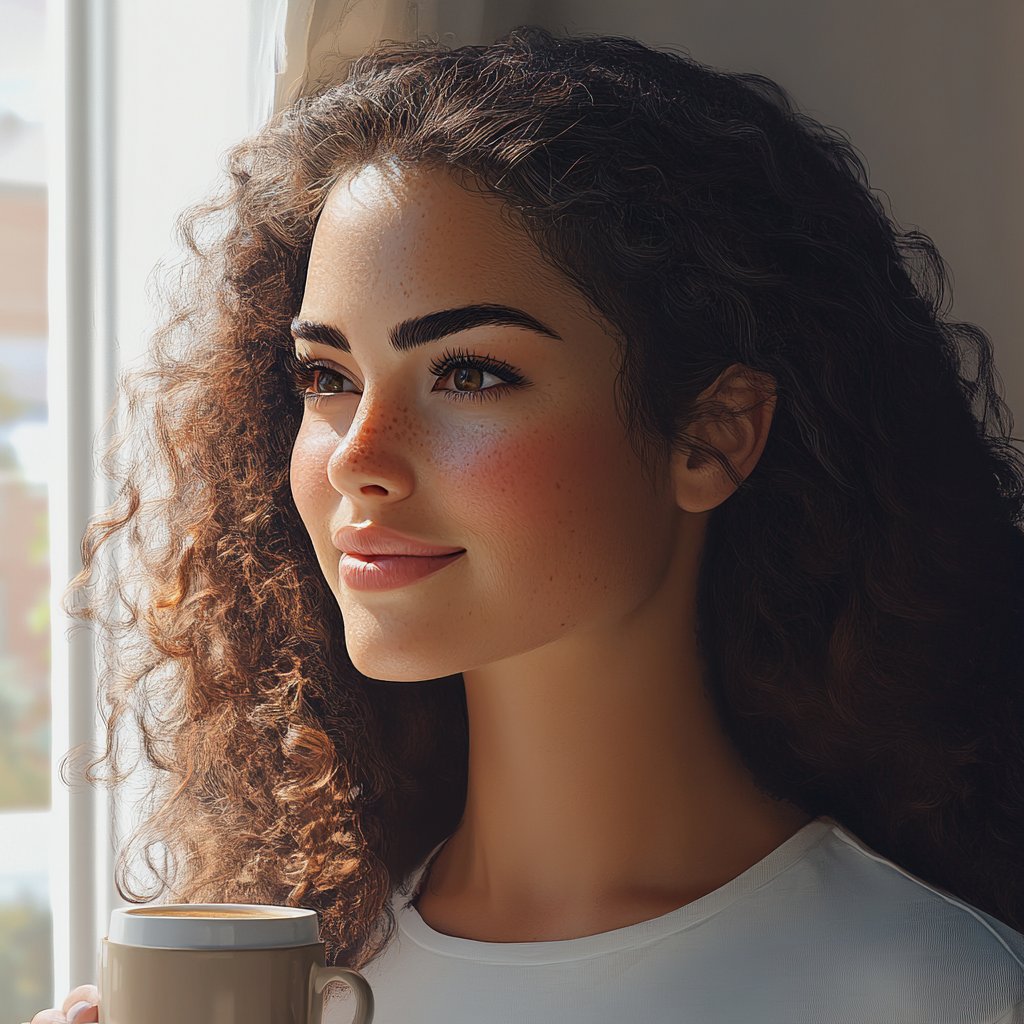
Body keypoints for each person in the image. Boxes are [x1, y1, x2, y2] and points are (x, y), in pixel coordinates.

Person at [30, 24, 1024, 1024]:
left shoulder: (937, 993)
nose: (356, 459)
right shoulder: (288, 978)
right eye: (326, 377)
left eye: (469, 374)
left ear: (711, 435)